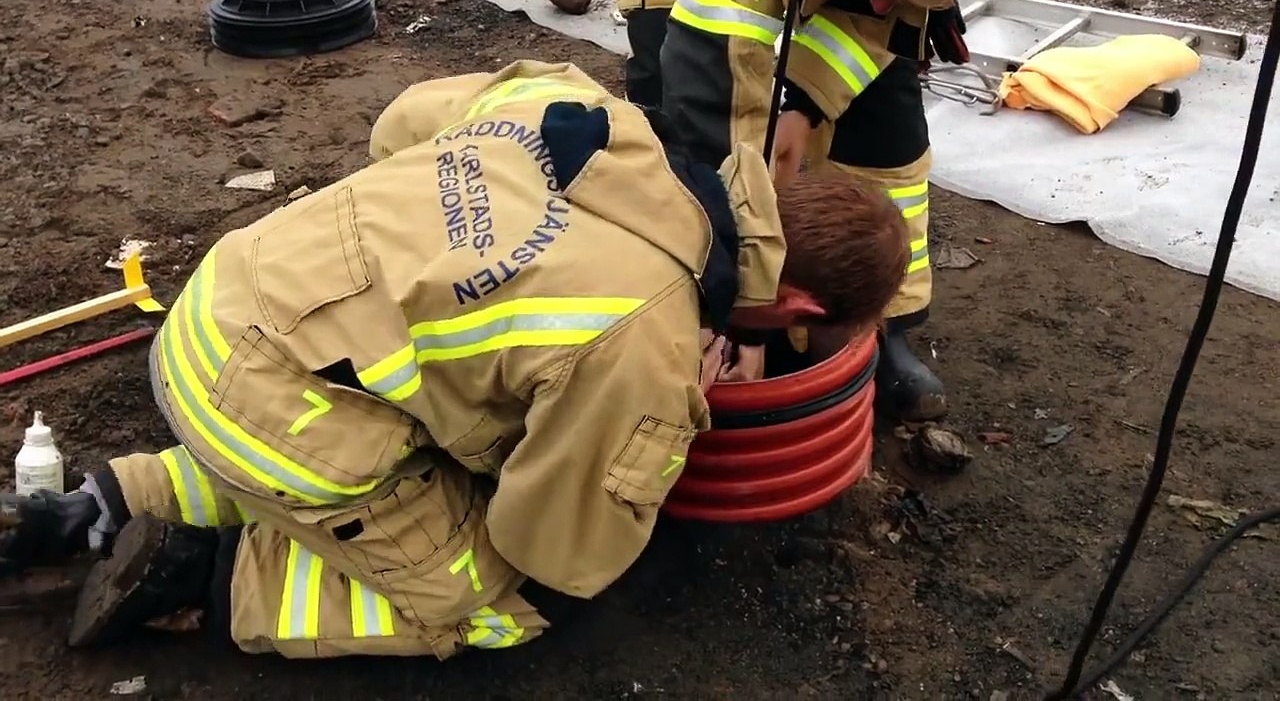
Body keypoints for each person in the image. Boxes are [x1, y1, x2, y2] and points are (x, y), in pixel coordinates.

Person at [0, 60, 911, 660]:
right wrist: (670, 416)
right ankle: (198, 575)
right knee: (504, 600)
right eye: (796, 336)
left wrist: (469, 259)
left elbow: (400, 125)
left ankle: (94, 508)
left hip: (230, 305)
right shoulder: (644, 340)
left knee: (381, 432)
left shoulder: (583, 108)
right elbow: (554, 543)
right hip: (265, 405)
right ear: (799, 308)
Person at [653, 0, 970, 422]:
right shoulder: (728, 5)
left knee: (891, 144)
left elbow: (878, 11)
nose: (884, 1)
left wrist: (805, 104)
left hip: (847, 5)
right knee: (720, 169)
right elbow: (721, 128)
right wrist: (742, 316)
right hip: (711, 28)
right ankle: (740, 324)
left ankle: (882, 327)